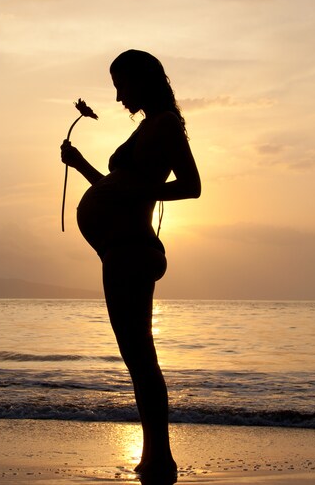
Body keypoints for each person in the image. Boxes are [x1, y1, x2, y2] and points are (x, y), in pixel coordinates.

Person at [61, 50, 201, 482]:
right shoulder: (148, 126)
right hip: (119, 250)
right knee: (136, 358)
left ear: (144, 81)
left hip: (131, 251)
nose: (118, 95)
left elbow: (192, 186)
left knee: (141, 359)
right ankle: (154, 454)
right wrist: (81, 163)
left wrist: (137, 191)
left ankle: (160, 458)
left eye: (122, 84)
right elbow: (118, 189)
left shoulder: (165, 124)